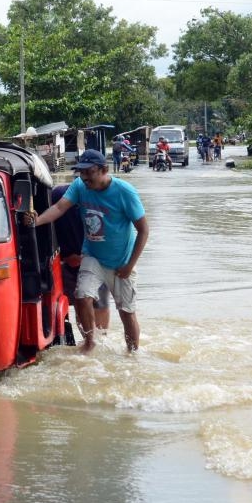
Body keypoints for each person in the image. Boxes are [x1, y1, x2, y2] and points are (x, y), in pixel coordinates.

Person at [26, 149, 149, 353]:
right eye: (81, 172)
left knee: (126, 312)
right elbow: (59, 208)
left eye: (89, 172)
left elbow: (143, 230)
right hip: (93, 256)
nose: (84, 177)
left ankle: (133, 353)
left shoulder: (125, 192)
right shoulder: (80, 186)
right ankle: (90, 343)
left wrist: (130, 265)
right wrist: (36, 221)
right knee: (82, 296)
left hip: (122, 261)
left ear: (104, 170)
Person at [51, 184, 110, 332]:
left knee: (93, 303)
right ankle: (92, 342)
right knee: (85, 303)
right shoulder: (59, 196)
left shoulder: (100, 202)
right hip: (70, 261)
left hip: (95, 260)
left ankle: (95, 341)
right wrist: (65, 258)